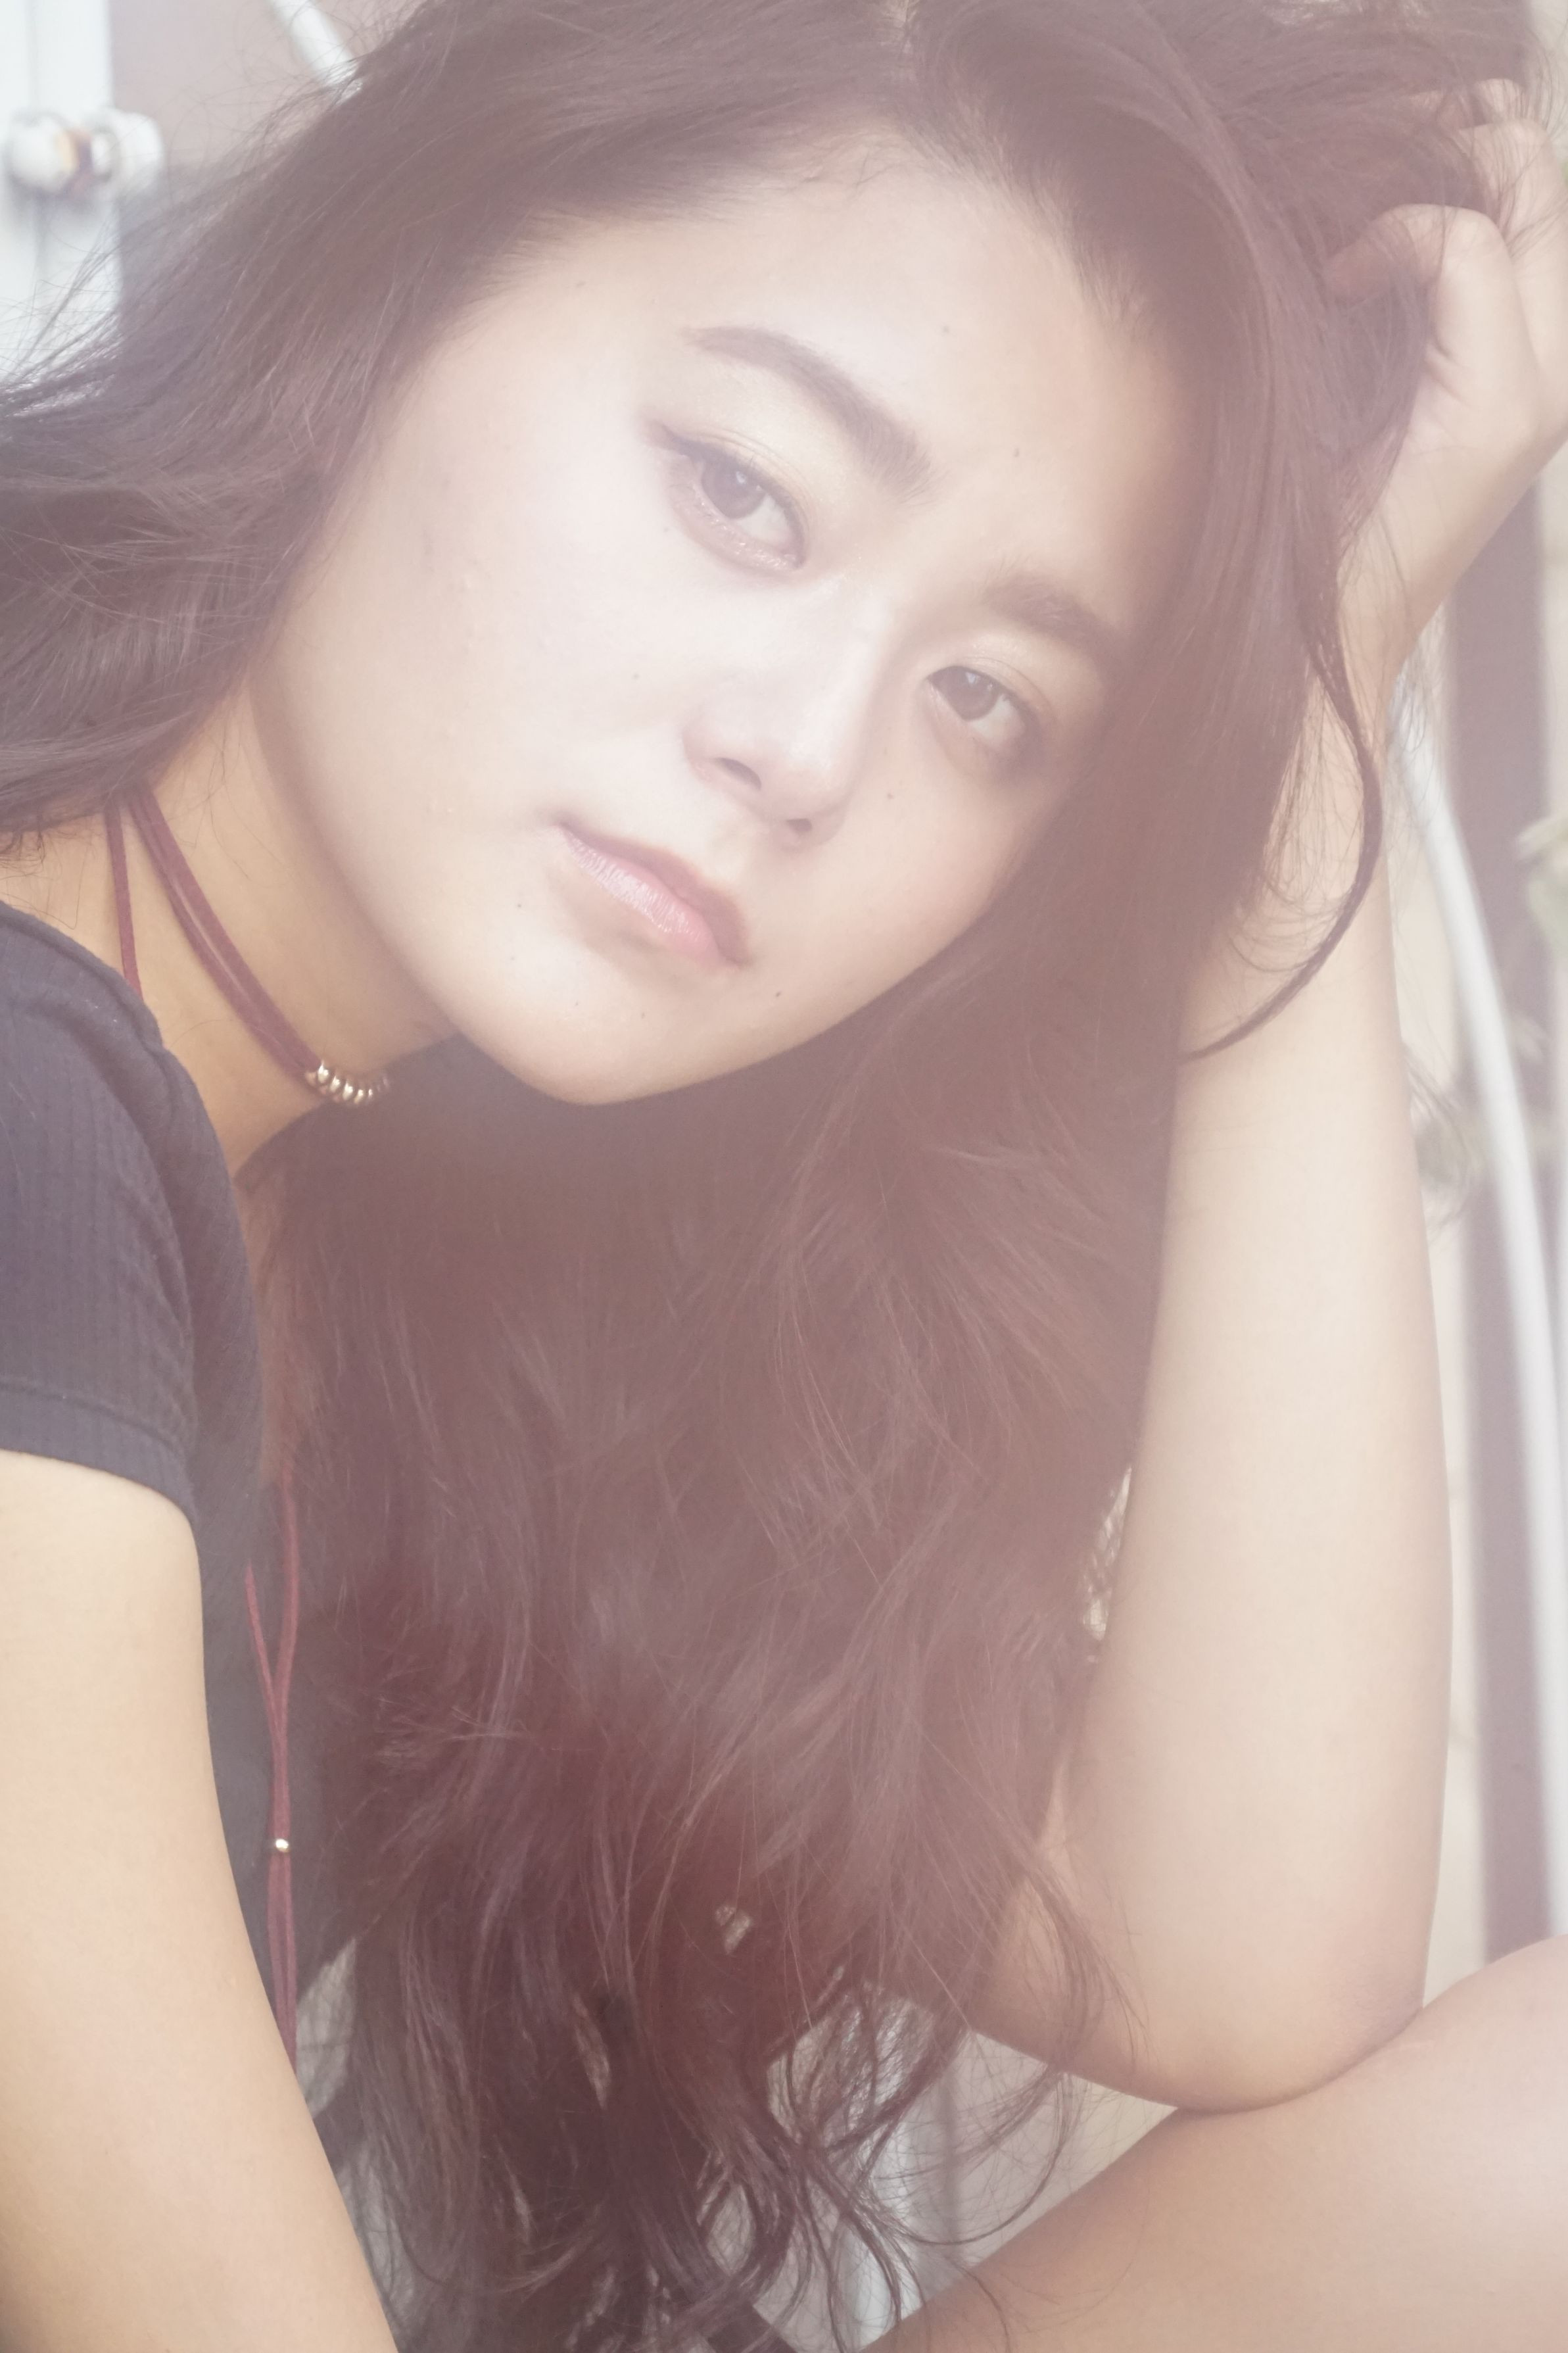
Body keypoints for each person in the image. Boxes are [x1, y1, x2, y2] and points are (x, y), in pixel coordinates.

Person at [2, 0, 1567, 2344]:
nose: (808, 746)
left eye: (988, 699)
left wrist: (1307, 725)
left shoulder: (408, 1224)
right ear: (407, 283)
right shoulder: (29, 1141)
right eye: (743, 490)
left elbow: (1232, 1942)